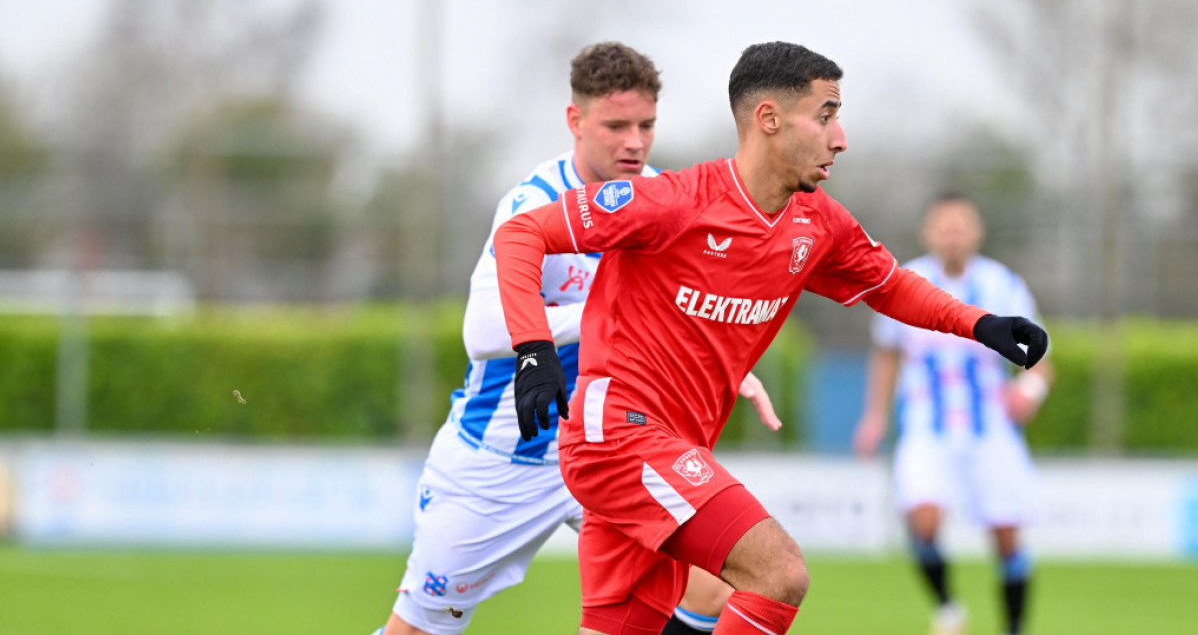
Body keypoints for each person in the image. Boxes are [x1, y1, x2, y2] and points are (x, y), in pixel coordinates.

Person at [492, 41, 1049, 635]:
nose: (841, 138)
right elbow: (521, 235)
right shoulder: (675, 202)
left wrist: (980, 324)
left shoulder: (819, 223)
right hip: (621, 437)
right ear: (769, 119)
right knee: (778, 572)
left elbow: (891, 286)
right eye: (826, 115)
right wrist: (533, 351)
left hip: (670, 446)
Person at [378, 42, 776, 635]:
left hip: (614, 445)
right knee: (418, 628)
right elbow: (481, 330)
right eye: (616, 125)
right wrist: (603, 313)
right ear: (576, 121)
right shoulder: (534, 204)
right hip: (503, 457)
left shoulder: (667, 201)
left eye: (646, 125)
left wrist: (729, 364)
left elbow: (692, 312)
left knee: (717, 580)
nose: (634, 142)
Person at [853, 192, 1054, 635]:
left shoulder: (1003, 284)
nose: (953, 234)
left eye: (961, 224)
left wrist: (1030, 391)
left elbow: (1041, 359)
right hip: (928, 427)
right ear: (929, 232)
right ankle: (947, 607)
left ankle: (1015, 626)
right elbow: (886, 352)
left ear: (977, 231)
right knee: (922, 520)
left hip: (991, 429)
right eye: (944, 225)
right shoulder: (908, 281)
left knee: (1006, 534)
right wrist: (875, 415)